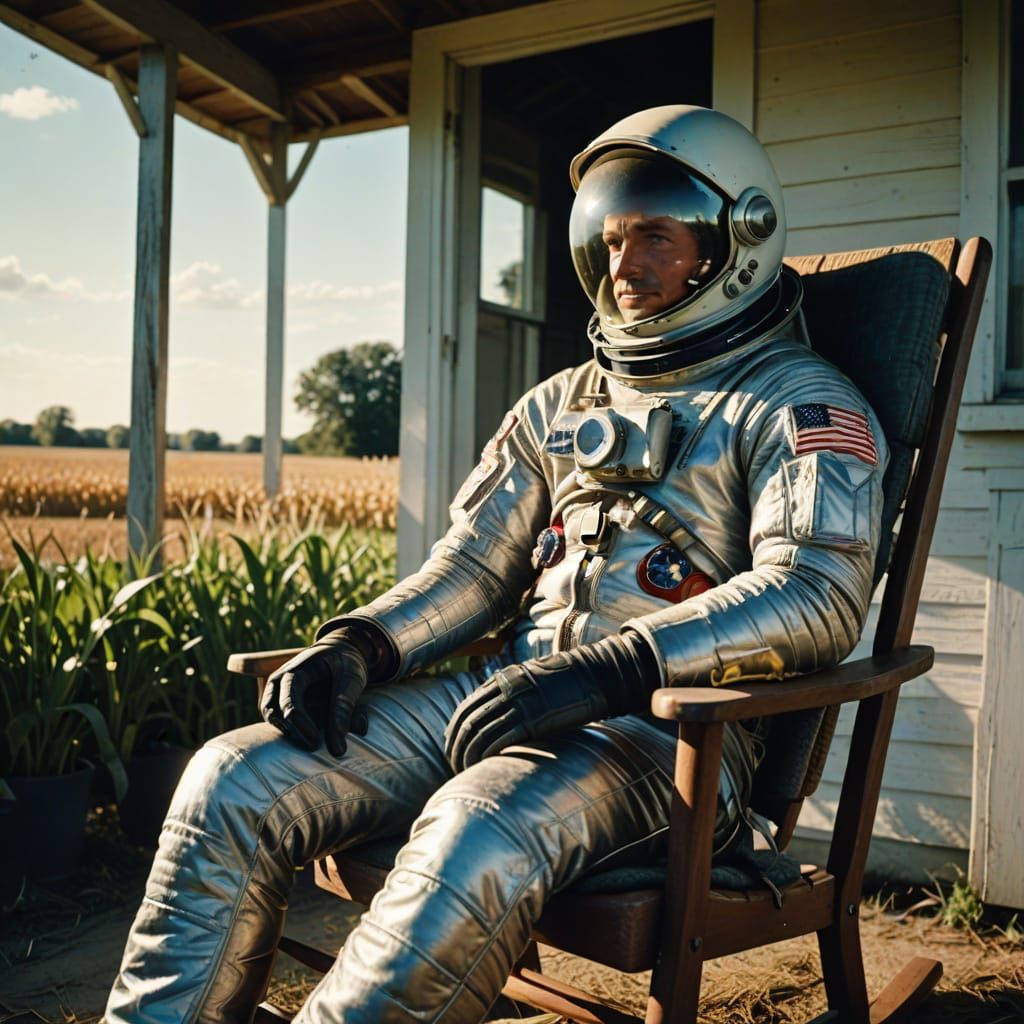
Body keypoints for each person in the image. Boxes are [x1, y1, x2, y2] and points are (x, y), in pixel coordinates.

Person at [105, 105, 886, 1024]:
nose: (624, 267)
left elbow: (816, 594)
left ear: (735, 240)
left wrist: (613, 666)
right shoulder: (559, 401)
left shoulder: (800, 404)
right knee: (230, 780)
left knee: (473, 826)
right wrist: (363, 645)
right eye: (613, 238)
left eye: (658, 241)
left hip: (668, 741)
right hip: (505, 693)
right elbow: (472, 569)